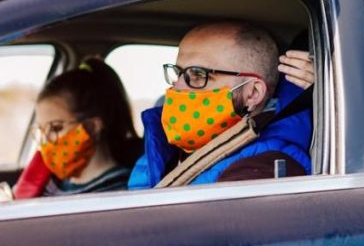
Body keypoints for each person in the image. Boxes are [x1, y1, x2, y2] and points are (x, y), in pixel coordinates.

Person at [128, 20, 312, 189]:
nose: (177, 87)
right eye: (178, 73)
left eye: (199, 74)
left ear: (253, 93)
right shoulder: (174, 150)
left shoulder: (262, 169)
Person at [0, 58, 141, 203]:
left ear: (92, 127)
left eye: (56, 127)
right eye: (41, 130)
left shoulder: (119, 191)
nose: (46, 141)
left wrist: (6, 211)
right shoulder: (49, 181)